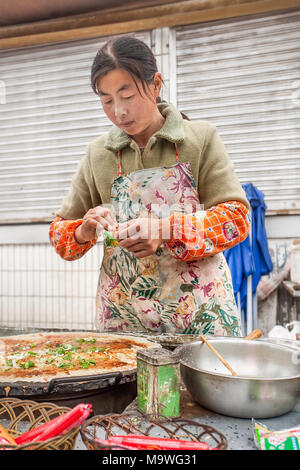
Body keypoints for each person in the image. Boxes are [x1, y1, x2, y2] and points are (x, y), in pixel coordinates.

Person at [49, 35, 250, 336]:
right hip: (125, 326)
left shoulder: (200, 139)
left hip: (199, 322)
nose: (119, 111)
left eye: (126, 96)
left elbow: (237, 219)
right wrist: (84, 229)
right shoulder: (98, 155)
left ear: (155, 85)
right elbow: (60, 236)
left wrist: (165, 229)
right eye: (106, 100)